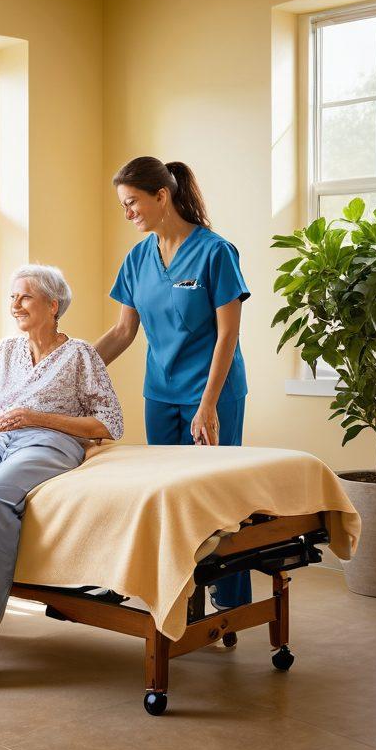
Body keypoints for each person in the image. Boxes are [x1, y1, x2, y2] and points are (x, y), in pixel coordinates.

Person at [0, 264, 123, 690]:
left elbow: (109, 423)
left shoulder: (80, 355)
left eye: (25, 296)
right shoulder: (2, 352)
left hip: (49, 441)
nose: (15, 304)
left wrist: (37, 417)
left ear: (53, 306)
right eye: (12, 297)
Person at [95, 156, 252, 613]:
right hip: (161, 394)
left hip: (213, 394)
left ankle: (231, 602)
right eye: (123, 205)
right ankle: (175, 595)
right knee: (167, 497)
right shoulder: (138, 258)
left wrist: (208, 405)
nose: (127, 213)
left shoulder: (215, 252)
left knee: (217, 497)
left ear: (162, 196)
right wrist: (70, 369)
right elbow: (123, 332)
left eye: (132, 202)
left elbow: (228, 334)